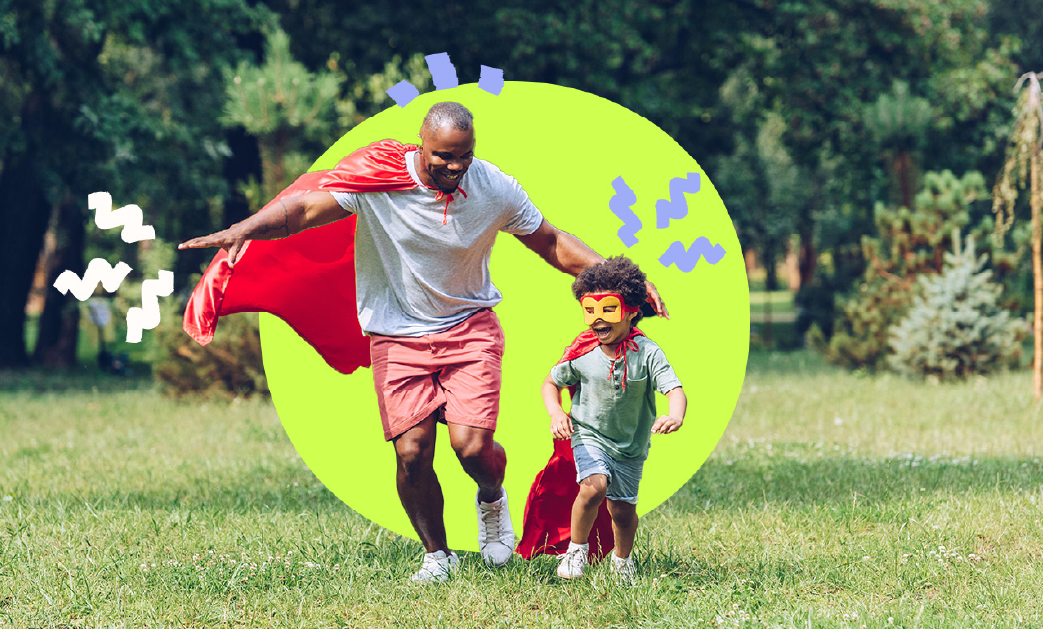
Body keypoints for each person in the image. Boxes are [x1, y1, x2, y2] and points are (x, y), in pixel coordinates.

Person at [179, 102, 668, 583]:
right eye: (443, 157)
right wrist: (245, 229)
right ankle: (438, 555)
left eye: (464, 156)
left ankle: (492, 497)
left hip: (469, 328)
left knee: (472, 448)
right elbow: (305, 208)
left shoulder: (493, 186)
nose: (454, 167)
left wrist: (619, 278)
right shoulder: (379, 180)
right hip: (395, 335)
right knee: (412, 453)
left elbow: (551, 242)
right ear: (422, 145)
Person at [540, 256, 686, 581]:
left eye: (609, 310)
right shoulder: (582, 352)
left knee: (622, 511)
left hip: (631, 446)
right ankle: (576, 552)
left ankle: (622, 561)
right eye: (589, 310)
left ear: (632, 310)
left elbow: (674, 388)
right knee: (594, 488)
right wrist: (555, 413)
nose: (597, 320)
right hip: (589, 435)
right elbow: (551, 383)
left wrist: (675, 414)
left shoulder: (647, 353)